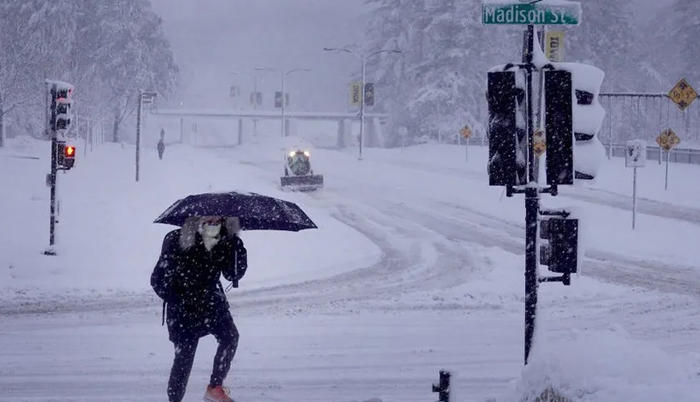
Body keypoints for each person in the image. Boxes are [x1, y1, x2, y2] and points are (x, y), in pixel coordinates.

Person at [151, 216, 247, 402]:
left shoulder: (227, 240)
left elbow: (232, 274)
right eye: (208, 217)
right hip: (183, 309)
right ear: (197, 218)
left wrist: (237, 250)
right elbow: (158, 279)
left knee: (230, 337)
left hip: (212, 303)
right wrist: (177, 297)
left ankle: (215, 387)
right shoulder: (176, 239)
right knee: (184, 358)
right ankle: (175, 399)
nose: (214, 222)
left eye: (218, 217)